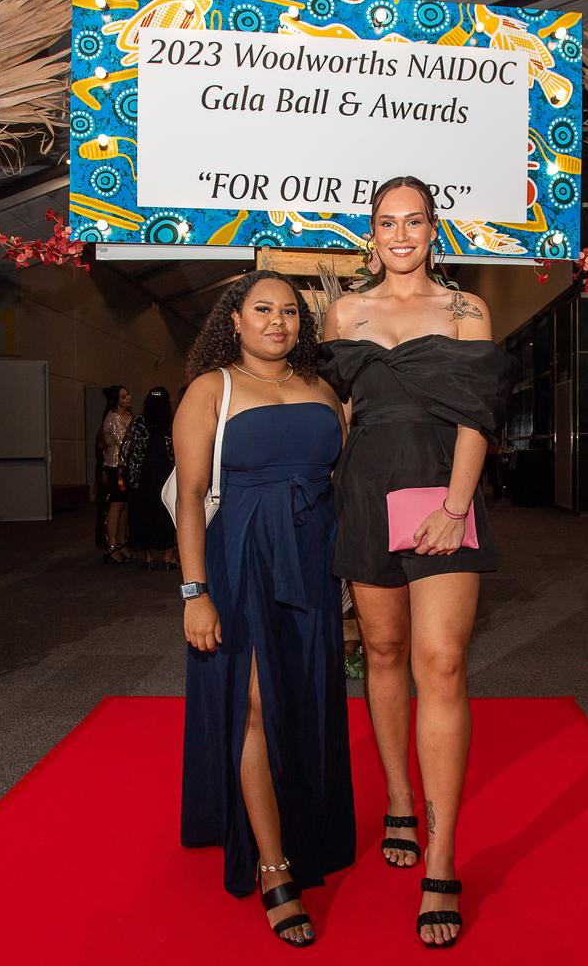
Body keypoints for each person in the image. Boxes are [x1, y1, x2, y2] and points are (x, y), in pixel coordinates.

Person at [318, 175, 518, 948]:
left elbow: (478, 415)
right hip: (366, 496)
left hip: (444, 495)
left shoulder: (467, 311)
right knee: (384, 652)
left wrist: (456, 506)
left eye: (414, 221)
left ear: (436, 229)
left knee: (441, 661)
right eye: (385, 223)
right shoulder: (346, 312)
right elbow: (337, 415)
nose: (400, 234)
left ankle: (441, 858)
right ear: (371, 233)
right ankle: (399, 797)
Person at [173, 270, 356, 947]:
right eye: (262, 310)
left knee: (304, 698)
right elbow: (190, 496)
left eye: (289, 312)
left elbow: (341, 482)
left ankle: (305, 824)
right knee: (254, 701)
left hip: (312, 559)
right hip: (242, 558)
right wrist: (195, 593)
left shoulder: (321, 389)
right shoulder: (210, 389)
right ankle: (273, 865)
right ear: (235, 320)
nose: (277, 321)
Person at [122, 387, 178, 570]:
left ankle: (148, 556)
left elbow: (127, 447)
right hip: (166, 472)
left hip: (143, 473)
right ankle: (168, 554)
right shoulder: (171, 421)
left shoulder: (139, 421)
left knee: (143, 513)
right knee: (167, 512)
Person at [101, 384, 133, 564]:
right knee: (117, 503)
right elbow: (123, 441)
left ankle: (121, 541)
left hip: (126, 466)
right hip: (115, 466)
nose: (128, 398)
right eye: (123, 396)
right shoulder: (113, 418)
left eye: (127, 394)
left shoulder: (128, 416)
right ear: (115, 400)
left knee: (125, 505)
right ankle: (112, 543)